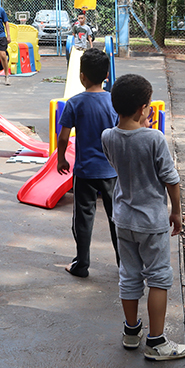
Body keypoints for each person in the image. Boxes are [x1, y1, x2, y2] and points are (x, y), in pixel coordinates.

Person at [101, 74, 185, 361]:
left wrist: (139, 127)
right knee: (158, 278)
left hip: (123, 219)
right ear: (143, 108)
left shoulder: (107, 136)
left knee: (129, 275)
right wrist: (176, 211)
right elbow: (171, 179)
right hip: (151, 221)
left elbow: (126, 153)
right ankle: (156, 341)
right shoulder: (154, 138)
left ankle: (131, 331)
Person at [56, 48, 119, 278]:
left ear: (82, 76)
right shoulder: (114, 101)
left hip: (84, 173)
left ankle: (81, 265)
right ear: (106, 76)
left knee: (83, 220)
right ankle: (125, 266)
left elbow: (63, 138)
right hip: (112, 172)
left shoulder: (74, 103)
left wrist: (61, 159)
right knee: (117, 219)